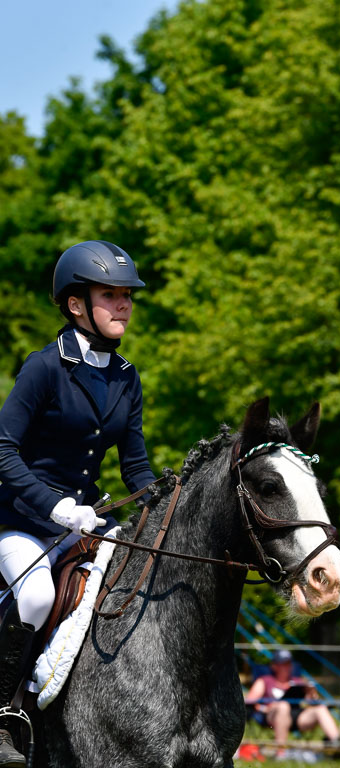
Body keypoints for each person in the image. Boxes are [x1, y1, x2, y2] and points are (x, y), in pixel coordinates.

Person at [0, 240, 156, 767]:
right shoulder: (44, 367)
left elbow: (134, 465)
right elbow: (2, 449)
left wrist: (161, 508)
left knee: (134, 588)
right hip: (21, 521)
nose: (124, 305)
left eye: (127, 296)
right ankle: (5, 714)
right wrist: (56, 508)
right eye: (110, 295)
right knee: (40, 596)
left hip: (87, 522)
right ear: (76, 305)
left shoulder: (126, 376)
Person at [245, 649, 340, 760]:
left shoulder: (298, 681)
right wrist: (265, 708)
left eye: (289, 664)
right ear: (274, 666)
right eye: (283, 664)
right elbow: (250, 701)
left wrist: (312, 694)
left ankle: (338, 744)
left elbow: (311, 702)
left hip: (296, 717)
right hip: (271, 716)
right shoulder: (265, 681)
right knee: (283, 706)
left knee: (320, 709)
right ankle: (280, 752)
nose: (287, 667)